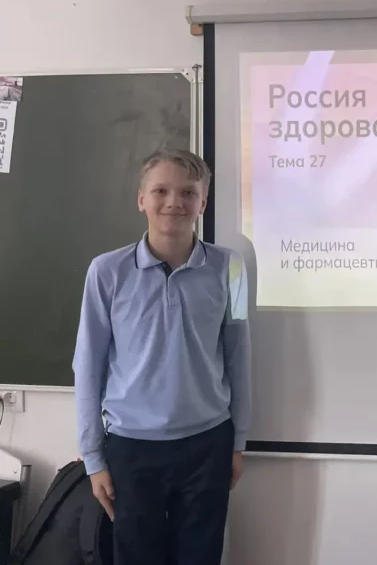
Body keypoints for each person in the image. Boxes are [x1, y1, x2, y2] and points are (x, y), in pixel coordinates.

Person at [73, 148, 252, 565]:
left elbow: (239, 355)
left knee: (201, 555)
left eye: (188, 192)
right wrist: (93, 458)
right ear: (141, 199)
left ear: (203, 202)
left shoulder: (233, 269)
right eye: (160, 191)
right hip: (131, 446)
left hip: (208, 443)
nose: (174, 201)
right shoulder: (105, 271)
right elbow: (88, 365)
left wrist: (238, 442)